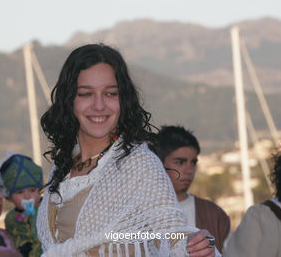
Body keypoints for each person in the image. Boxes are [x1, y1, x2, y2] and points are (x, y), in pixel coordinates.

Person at [37, 43, 216, 256]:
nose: (99, 105)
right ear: (69, 100)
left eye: (110, 93)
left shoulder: (137, 163)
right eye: (86, 94)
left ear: (123, 100)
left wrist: (192, 244)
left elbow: (170, 232)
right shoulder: (63, 165)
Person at [154, 125, 230, 252]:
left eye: (193, 162)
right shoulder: (140, 214)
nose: (189, 170)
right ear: (158, 162)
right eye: (180, 162)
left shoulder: (214, 214)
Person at [0, 153, 43, 257]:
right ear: (9, 197)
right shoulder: (11, 218)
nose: (27, 196)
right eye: (20, 192)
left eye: (32, 190)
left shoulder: (47, 208)